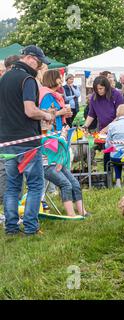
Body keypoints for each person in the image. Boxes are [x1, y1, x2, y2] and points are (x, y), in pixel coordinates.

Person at [0, 45, 54, 236]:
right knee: (35, 185)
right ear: (31, 58)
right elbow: (30, 110)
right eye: (39, 63)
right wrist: (46, 115)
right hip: (27, 142)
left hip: (7, 141)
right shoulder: (27, 79)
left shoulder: (4, 77)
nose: (40, 67)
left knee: (13, 186)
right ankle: (31, 227)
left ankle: (11, 228)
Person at [43, 125, 91, 217]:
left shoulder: (52, 133)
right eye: (48, 121)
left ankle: (82, 212)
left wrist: (63, 136)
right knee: (66, 184)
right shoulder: (41, 136)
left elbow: (61, 148)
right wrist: (63, 135)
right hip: (46, 166)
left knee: (75, 183)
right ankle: (71, 214)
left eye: (51, 122)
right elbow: (57, 146)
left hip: (58, 164)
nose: (51, 124)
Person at [82, 76, 124, 171]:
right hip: (103, 131)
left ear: (106, 86)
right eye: (96, 89)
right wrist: (85, 126)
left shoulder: (116, 95)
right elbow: (91, 114)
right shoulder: (94, 97)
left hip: (117, 128)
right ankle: (107, 175)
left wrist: (107, 128)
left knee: (117, 153)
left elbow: (120, 115)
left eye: (101, 88)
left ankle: (119, 176)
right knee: (107, 152)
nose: (99, 91)